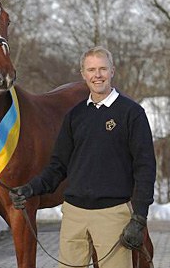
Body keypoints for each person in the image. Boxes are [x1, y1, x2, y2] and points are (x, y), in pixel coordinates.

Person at [9, 46, 156, 268]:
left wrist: (139, 219)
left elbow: (145, 168)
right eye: (91, 69)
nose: (97, 75)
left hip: (112, 215)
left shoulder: (132, 113)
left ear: (112, 71)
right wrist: (31, 188)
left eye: (102, 69)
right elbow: (58, 166)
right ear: (83, 74)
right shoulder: (75, 116)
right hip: (73, 216)